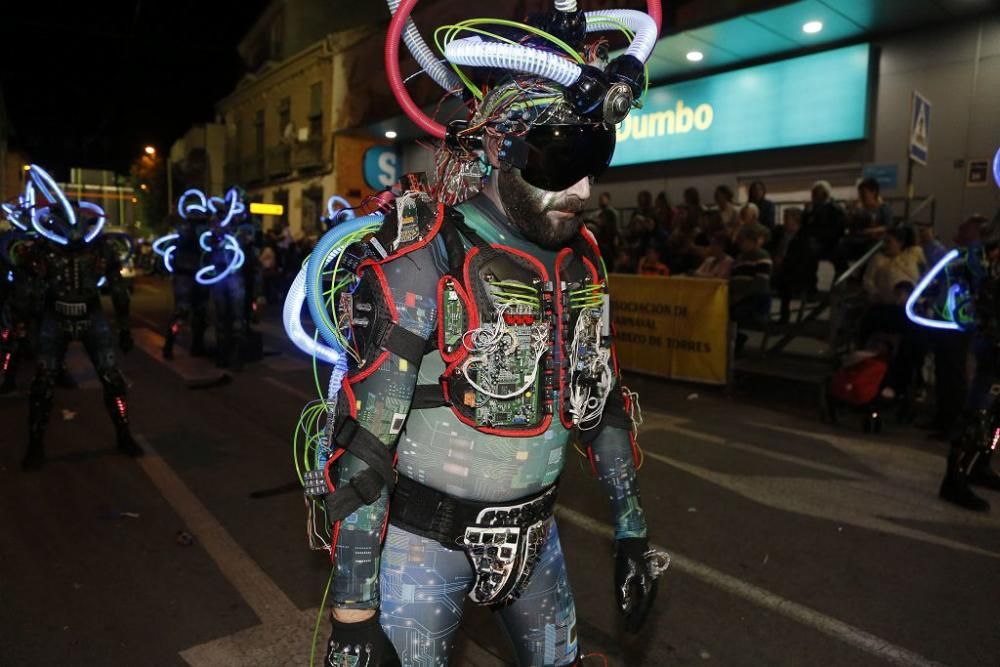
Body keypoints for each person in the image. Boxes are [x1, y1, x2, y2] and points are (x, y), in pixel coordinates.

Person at [296, 7, 667, 665]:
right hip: (421, 549)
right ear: (501, 148)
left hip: (538, 540)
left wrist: (631, 531)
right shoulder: (423, 258)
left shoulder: (583, 261)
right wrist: (353, 617)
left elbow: (601, 401)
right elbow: (364, 448)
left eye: (596, 156)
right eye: (561, 158)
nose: (583, 188)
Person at [16, 165, 140, 470]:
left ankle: (124, 433)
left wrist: (124, 328)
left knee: (112, 380)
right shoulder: (43, 250)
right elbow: (27, 288)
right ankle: (35, 443)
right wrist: (23, 325)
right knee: (42, 384)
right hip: (55, 315)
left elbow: (119, 289)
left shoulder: (99, 249)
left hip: (90, 313)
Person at [161, 216, 208, 359]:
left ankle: (195, 346)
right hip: (186, 277)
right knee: (183, 313)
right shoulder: (186, 233)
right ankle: (170, 346)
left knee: (198, 314)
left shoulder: (188, 231)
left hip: (194, 276)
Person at [730, 227, 773, 355]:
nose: (739, 243)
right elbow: (734, 279)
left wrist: (742, 296)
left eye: (742, 240)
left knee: (735, 313)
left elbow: (761, 282)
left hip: (755, 299)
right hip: (738, 298)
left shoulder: (762, 255)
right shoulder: (740, 258)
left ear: (751, 241)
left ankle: (736, 342)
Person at [772, 208, 818, 323]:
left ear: (795, 221)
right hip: (780, 268)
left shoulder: (804, 239)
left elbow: (804, 261)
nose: (784, 222)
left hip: (797, 273)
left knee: (784, 281)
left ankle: (784, 316)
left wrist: (783, 262)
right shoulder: (781, 234)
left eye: (787, 219)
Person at [802, 180, 846, 264]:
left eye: (815, 194)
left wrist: (817, 238)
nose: (812, 196)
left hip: (828, 243)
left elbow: (836, 231)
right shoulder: (812, 209)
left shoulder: (835, 210)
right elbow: (804, 226)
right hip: (813, 241)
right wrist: (807, 213)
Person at [593, 191, 619, 261]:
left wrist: (616, 237)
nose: (602, 201)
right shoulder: (596, 213)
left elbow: (615, 226)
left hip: (609, 239)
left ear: (608, 200)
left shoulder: (613, 213)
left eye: (604, 199)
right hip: (600, 239)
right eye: (600, 199)